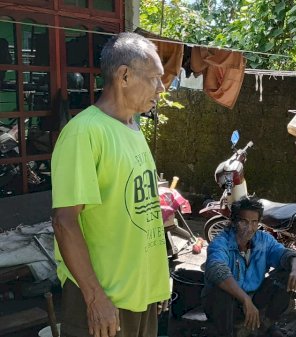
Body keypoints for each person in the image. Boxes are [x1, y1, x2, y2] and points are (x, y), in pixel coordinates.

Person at [51, 32, 170, 337]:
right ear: (125, 76)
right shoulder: (84, 133)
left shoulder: (132, 128)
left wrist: (155, 284)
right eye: (155, 78)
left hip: (138, 296)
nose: (161, 87)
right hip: (105, 300)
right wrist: (95, 298)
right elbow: (65, 221)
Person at [203, 196, 296, 337]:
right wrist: (245, 299)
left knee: (286, 275)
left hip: (254, 298)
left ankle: (265, 325)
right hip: (228, 304)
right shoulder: (221, 242)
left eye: (254, 222)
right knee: (220, 292)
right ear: (234, 222)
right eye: (244, 222)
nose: (250, 228)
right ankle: (228, 332)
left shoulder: (263, 240)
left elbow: (286, 254)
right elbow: (216, 269)